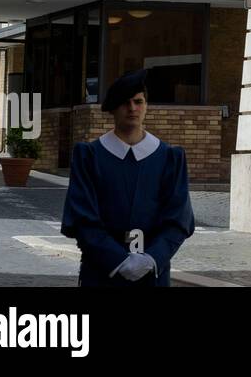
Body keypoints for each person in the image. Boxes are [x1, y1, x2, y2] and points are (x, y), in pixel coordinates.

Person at [61, 69, 195, 286]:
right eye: (125, 103)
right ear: (113, 108)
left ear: (146, 106)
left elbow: (178, 218)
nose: (132, 108)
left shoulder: (170, 158)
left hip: (152, 273)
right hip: (101, 271)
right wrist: (117, 260)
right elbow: (82, 217)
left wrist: (153, 258)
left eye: (138, 101)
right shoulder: (90, 156)